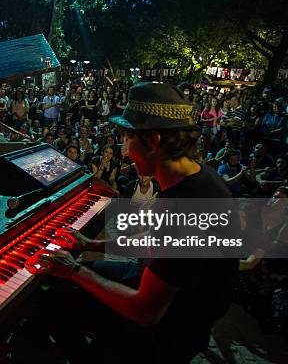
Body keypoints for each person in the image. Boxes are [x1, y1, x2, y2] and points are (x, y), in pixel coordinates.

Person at [26, 82, 238, 362]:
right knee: (58, 287)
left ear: (154, 141)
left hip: (169, 328)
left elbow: (146, 311)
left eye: (128, 139)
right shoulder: (192, 179)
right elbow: (154, 244)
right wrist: (93, 244)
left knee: (55, 300)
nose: (124, 152)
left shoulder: (189, 205)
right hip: (152, 281)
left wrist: (74, 270)